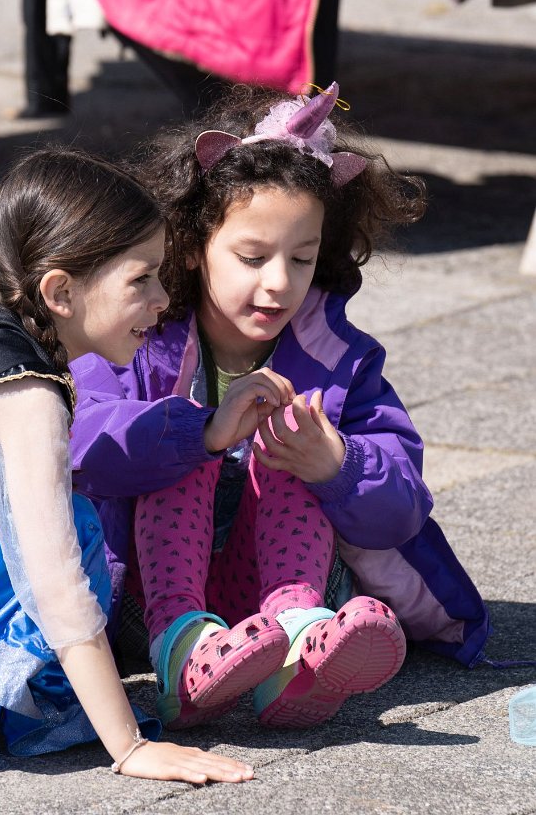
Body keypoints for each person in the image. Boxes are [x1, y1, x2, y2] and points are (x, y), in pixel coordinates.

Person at [69, 84, 490, 731]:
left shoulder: (337, 357)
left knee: (297, 437)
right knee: (181, 441)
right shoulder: (132, 335)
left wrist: (338, 465)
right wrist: (199, 434)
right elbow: (75, 441)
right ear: (189, 245)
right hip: (146, 603)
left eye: (300, 259)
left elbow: (402, 503)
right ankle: (184, 652)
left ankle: (298, 653)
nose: (278, 282)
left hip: (273, 594)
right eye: (251, 257)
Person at [0, 148, 254, 784]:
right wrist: (128, 747)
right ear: (60, 291)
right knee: (73, 525)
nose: (163, 299)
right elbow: (56, 580)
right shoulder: (28, 398)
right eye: (141, 279)